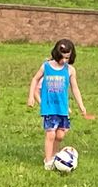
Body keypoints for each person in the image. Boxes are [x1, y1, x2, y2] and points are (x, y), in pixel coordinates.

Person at [27, 39, 88, 171]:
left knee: (60, 135)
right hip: (49, 107)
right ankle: (48, 160)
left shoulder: (70, 70)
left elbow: (75, 88)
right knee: (51, 134)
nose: (65, 60)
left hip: (62, 107)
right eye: (63, 57)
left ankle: (55, 155)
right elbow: (35, 79)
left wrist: (81, 105)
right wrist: (31, 96)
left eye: (68, 57)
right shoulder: (46, 66)